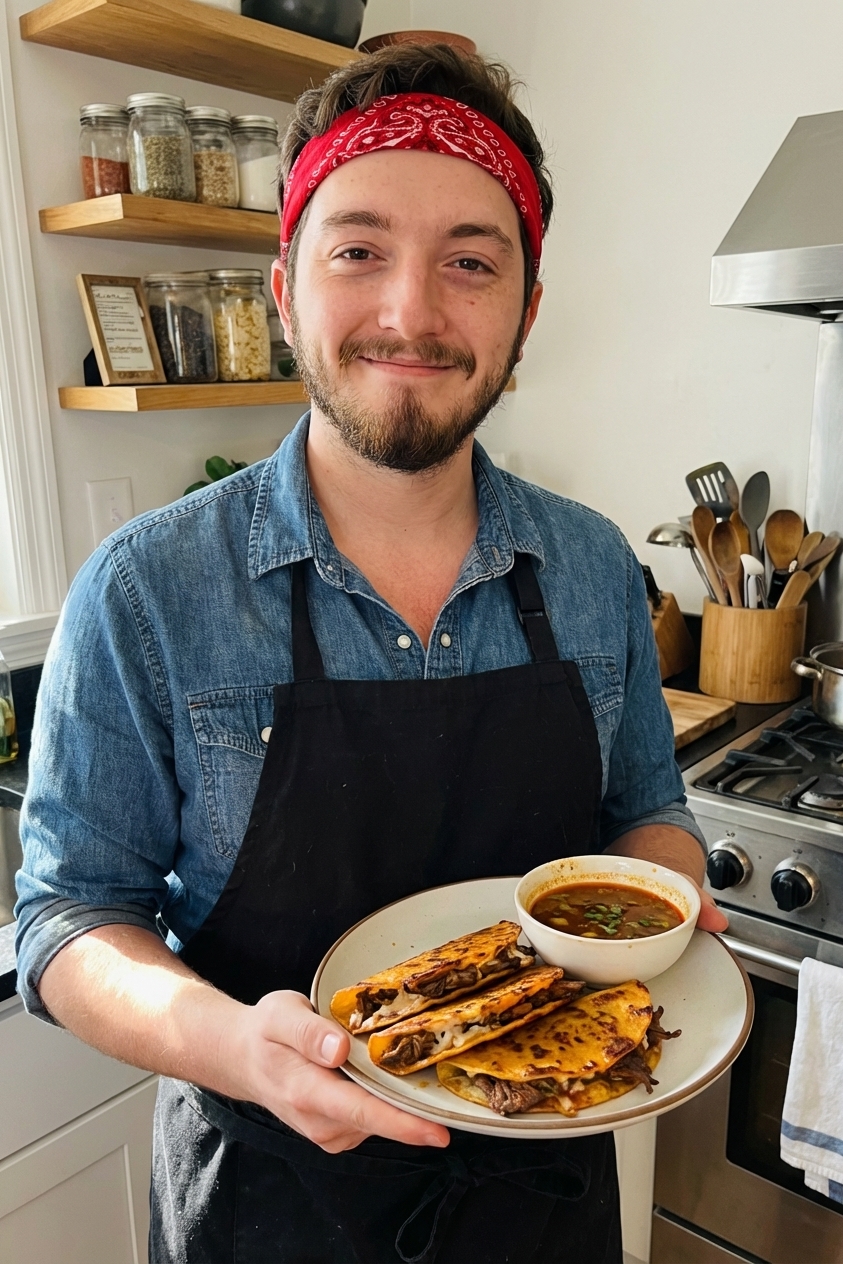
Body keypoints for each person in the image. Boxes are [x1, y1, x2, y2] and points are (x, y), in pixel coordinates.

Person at [15, 44, 727, 1264]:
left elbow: (646, 812)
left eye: (470, 261)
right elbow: (69, 919)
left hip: (545, 1196)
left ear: (526, 309)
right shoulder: (147, 589)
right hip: (266, 1206)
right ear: (286, 286)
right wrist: (234, 1042)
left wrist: (664, 906)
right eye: (359, 251)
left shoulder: (598, 567)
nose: (412, 313)